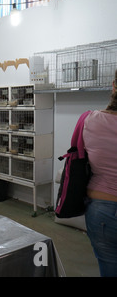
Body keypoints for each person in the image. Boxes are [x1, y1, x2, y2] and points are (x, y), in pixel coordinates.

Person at [83, 69, 117, 277]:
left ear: (114, 86)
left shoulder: (90, 120)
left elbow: (78, 160)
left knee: (109, 268)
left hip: (100, 210)